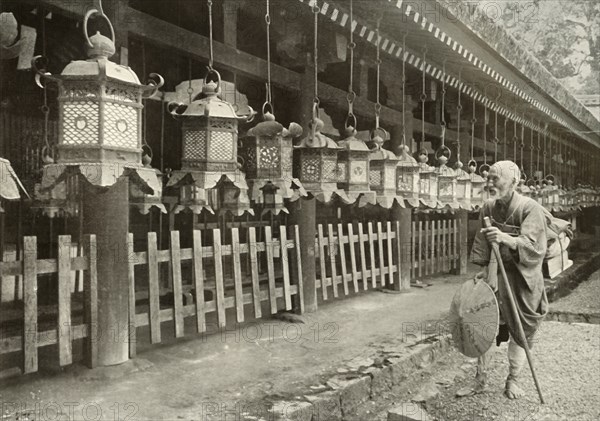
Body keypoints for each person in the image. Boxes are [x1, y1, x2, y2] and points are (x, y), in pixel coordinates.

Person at [470, 160, 548, 399]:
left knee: (521, 329)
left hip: (523, 277)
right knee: (483, 323)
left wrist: (506, 238)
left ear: (514, 182)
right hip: (496, 273)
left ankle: (513, 379)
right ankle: (479, 380)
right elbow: (483, 245)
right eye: (489, 178)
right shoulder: (488, 208)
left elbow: (535, 248)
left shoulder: (529, 207)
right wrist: (484, 271)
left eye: (496, 178)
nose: (490, 183)